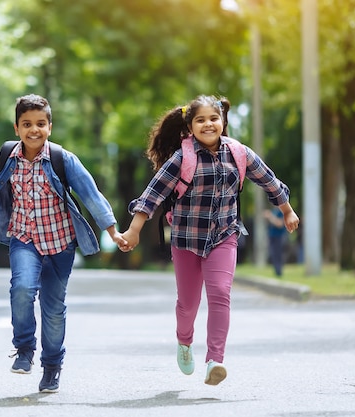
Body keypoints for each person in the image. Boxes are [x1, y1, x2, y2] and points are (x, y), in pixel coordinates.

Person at [120, 95, 299, 386]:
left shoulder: (239, 153)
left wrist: (287, 211)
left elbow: (269, 180)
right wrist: (134, 229)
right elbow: (154, 193)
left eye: (213, 119)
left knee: (219, 294)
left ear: (223, 122)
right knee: (188, 304)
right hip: (186, 238)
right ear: (190, 126)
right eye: (200, 120)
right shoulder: (183, 157)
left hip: (224, 236)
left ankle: (215, 360)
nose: (208, 124)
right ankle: (184, 342)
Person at [0, 94, 128, 393]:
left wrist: (112, 231)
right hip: (23, 238)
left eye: (40, 124)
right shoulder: (8, 155)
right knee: (22, 288)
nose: (33, 130)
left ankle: (52, 367)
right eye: (26, 124)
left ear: (50, 126)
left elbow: (91, 194)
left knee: (53, 308)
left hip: (60, 243)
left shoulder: (63, 159)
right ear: (16, 128)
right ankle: (24, 348)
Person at [264, 206, 288, 276]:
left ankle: (279, 271)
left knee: (278, 254)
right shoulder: (274, 210)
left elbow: (280, 224)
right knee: (273, 254)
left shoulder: (281, 211)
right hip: (272, 236)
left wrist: (270, 216)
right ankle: (276, 271)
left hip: (279, 236)